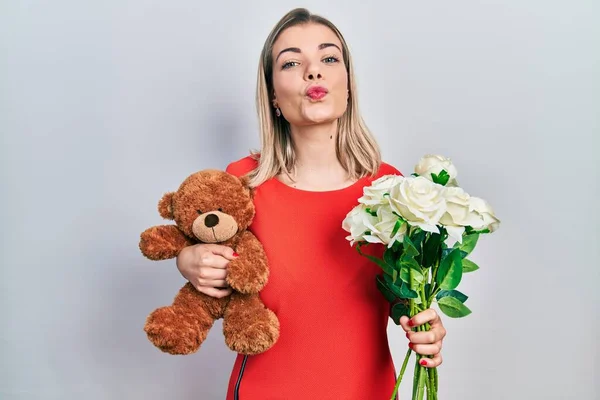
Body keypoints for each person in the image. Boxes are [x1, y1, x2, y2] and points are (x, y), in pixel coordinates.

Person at [176, 8, 447, 400]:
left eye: (329, 58)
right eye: (291, 62)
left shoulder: (391, 187)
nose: (313, 72)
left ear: (348, 83)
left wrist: (425, 325)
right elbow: (200, 248)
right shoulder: (242, 181)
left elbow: (401, 296)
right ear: (272, 92)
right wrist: (189, 261)